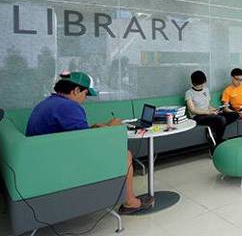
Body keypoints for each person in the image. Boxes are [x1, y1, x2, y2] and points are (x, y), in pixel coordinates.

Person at [25, 72, 152, 215]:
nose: (85, 99)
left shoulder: (50, 103)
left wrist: (98, 127)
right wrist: (112, 128)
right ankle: (130, 203)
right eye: (85, 94)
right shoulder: (69, 107)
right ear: (76, 90)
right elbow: (86, 143)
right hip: (57, 165)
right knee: (125, 155)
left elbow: (74, 136)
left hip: (41, 161)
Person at [185, 70, 238, 151]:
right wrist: (208, 112)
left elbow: (208, 106)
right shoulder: (189, 93)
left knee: (234, 114)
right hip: (197, 117)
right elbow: (192, 110)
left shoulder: (206, 90)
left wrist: (216, 109)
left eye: (203, 83)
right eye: (199, 84)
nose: (202, 86)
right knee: (221, 119)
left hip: (209, 114)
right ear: (194, 83)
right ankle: (218, 140)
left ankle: (214, 136)